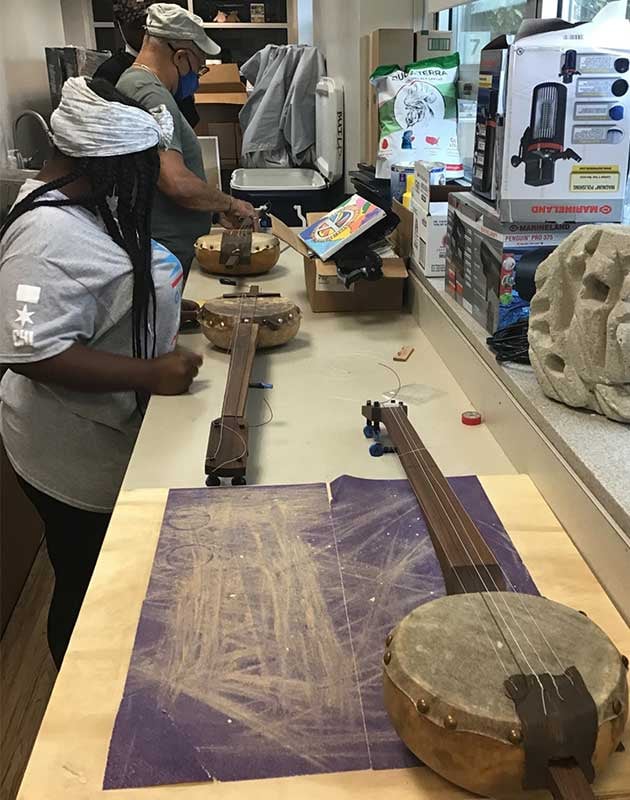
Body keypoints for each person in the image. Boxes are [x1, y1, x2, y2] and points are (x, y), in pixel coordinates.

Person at [0, 76, 202, 669]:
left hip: (98, 436)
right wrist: (150, 372)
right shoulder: (43, 238)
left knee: (107, 578)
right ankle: (81, 698)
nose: (144, 185)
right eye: (137, 171)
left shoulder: (76, 202)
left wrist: (154, 312)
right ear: (99, 163)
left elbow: (95, 293)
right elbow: (31, 352)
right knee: (88, 588)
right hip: (67, 455)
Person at [117, 3, 258, 279]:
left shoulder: (138, 86)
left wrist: (212, 212)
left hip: (169, 251)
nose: (197, 78)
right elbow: (175, 182)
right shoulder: (150, 94)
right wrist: (229, 203)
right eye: (199, 68)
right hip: (168, 256)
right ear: (180, 57)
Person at [93, 0, 200, 129]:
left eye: (150, 25)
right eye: (139, 26)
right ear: (119, 25)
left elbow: (189, 117)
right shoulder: (109, 73)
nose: (146, 33)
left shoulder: (175, 60)